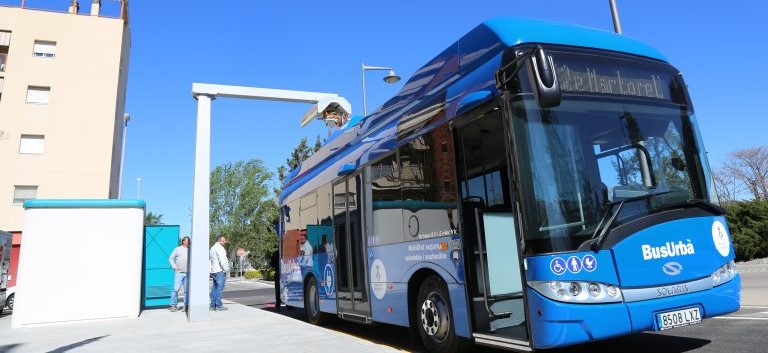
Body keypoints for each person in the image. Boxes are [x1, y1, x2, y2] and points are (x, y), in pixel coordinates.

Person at [168, 236, 190, 312]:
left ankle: (186, 306)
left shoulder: (190, 250)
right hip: (179, 273)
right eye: (187, 240)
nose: (189, 242)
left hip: (188, 273)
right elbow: (170, 258)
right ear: (183, 241)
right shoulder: (177, 249)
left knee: (187, 291)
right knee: (176, 289)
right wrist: (174, 267)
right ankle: (173, 305)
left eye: (189, 240)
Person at [209, 235, 229, 311]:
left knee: (215, 287)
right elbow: (222, 260)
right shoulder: (220, 248)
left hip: (214, 270)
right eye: (223, 241)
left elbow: (210, 260)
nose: (225, 242)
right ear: (219, 241)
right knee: (220, 288)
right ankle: (218, 305)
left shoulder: (212, 248)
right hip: (220, 270)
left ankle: (212, 305)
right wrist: (226, 269)